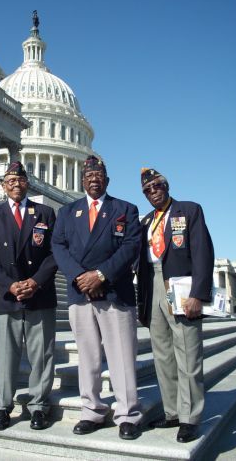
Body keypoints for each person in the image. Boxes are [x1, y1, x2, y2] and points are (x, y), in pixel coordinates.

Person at [52, 155, 142, 440]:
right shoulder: (68, 212)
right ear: (82, 180)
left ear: (107, 180)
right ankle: (92, 410)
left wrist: (101, 275)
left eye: (99, 176)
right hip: (81, 294)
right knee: (88, 356)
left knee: (121, 357)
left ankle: (127, 413)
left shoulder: (125, 209)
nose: (94, 179)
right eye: (89, 175)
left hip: (114, 292)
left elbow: (130, 247)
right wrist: (81, 277)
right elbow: (58, 245)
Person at [137, 168, 214, 443]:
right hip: (154, 286)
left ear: (166, 185)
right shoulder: (146, 221)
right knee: (163, 354)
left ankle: (190, 417)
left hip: (180, 286)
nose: (153, 191)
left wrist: (198, 294)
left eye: (156, 186)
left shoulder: (189, 210)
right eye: (147, 190)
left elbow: (203, 252)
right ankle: (172, 412)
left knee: (187, 352)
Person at [0, 161, 57, 431]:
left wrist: (35, 282)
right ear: (3, 185)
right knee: (6, 356)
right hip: (6, 296)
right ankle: (2, 407)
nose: (16, 184)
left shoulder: (45, 213)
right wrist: (10, 285)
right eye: (10, 180)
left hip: (40, 295)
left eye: (20, 180)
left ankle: (38, 405)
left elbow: (53, 253)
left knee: (42, 356)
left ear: (28, 183)